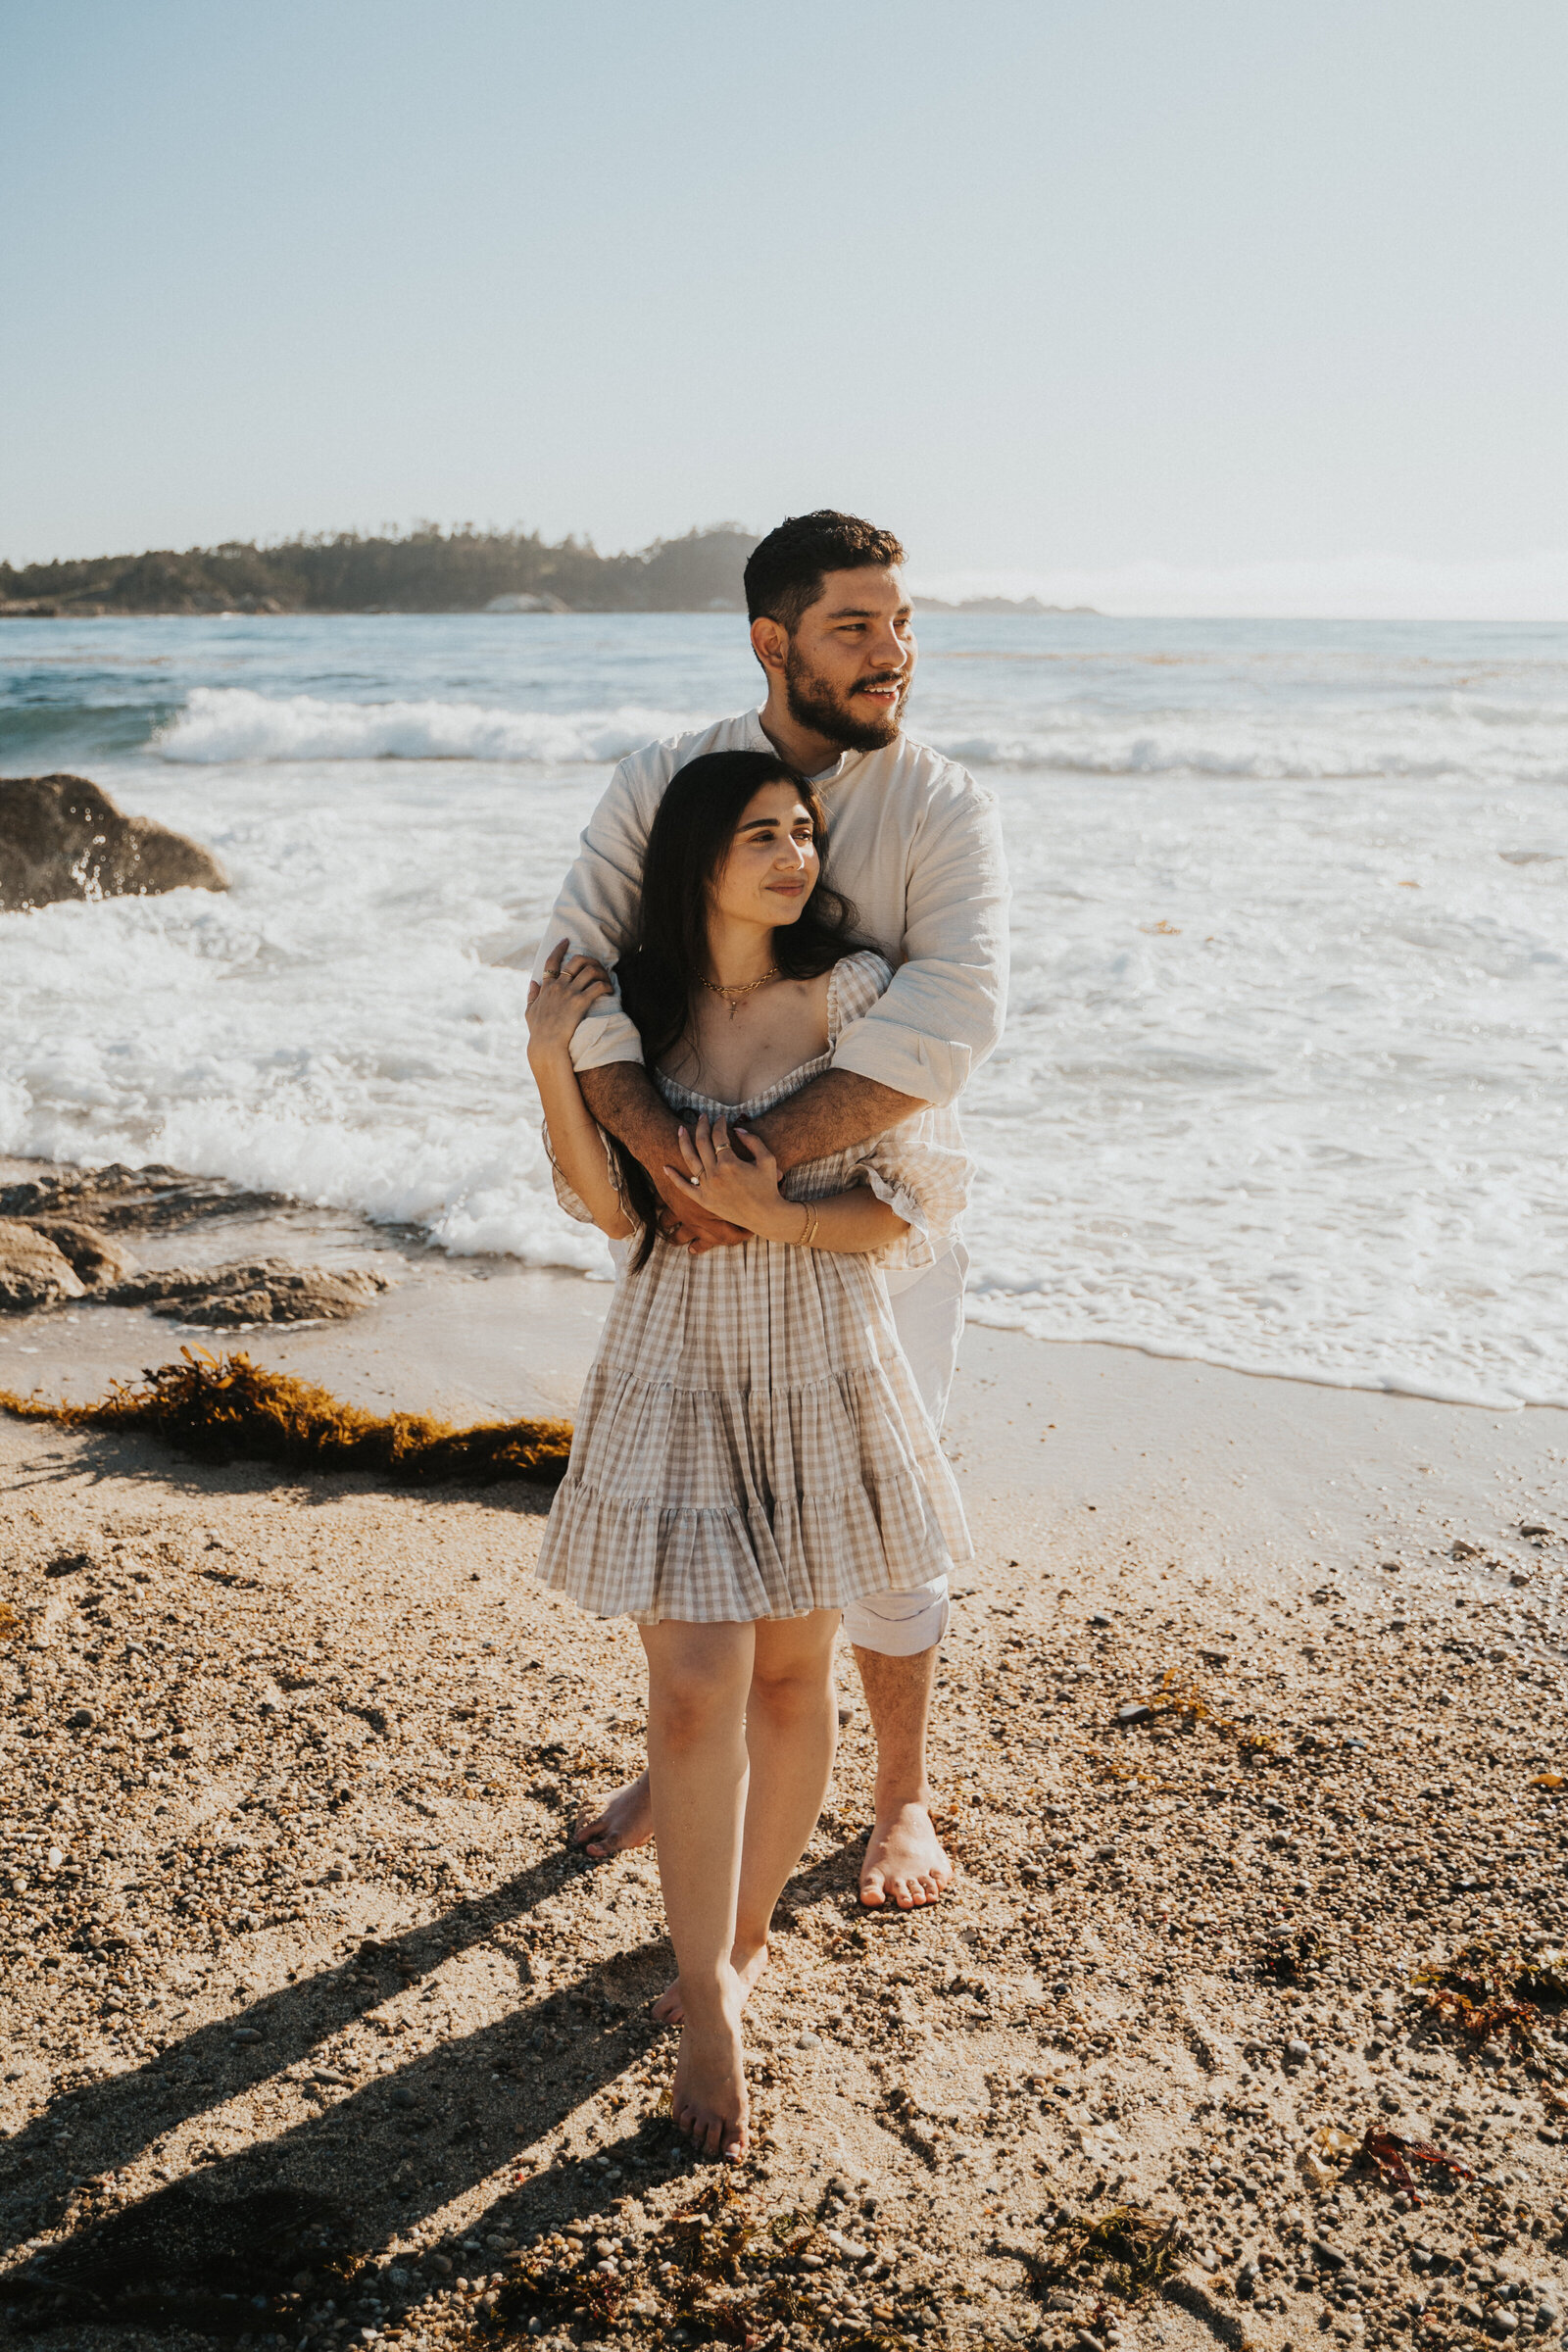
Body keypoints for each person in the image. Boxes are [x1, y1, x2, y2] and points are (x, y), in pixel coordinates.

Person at [532, 510, 1008, 1908]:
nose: (893, 655)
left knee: (878, 1522)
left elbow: (953, 1013)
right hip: (693, 1222)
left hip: (874, 1208)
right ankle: (698, 1763)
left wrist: (757, 1167)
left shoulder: (940, 802)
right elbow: (582, 977)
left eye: (903, 625)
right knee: (705, 1498)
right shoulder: (666, 781)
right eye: (857, 628)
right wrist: (677, 1164)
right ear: (771, 642)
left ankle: (901, 1798)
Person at [526, 747, 972, 2161]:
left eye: (806, 831)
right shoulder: (636, 1014)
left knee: (791, 1672)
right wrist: (551, 1058)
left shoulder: (853, 999)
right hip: (675, 1359)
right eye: (763, 834)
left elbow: (904, 1214)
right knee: (696, 1682)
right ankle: (709, 2007)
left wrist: (776, 1216)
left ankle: (743, 1938)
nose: (795, 854)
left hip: (822, 1352)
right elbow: (610, 1209)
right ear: (698, 859)